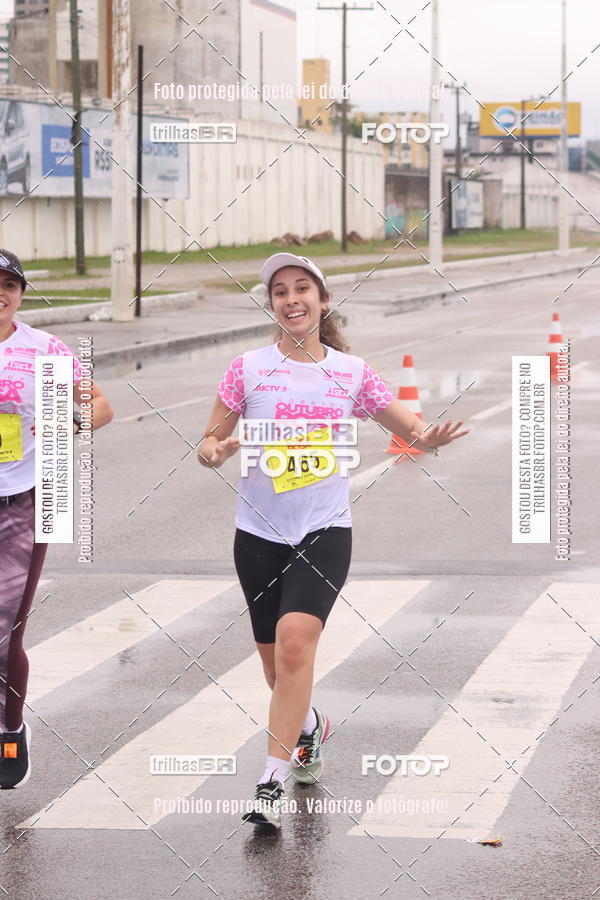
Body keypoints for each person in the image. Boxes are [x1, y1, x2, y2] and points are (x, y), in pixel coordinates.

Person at [197, 252, 468, 828]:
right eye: (280, 292)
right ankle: (309, 727)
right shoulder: (247, 369)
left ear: (323, 301)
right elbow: (210, 441)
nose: (291, 299)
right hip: (258, 534)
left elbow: (409, 427)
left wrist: (431, 438)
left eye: (302, 289)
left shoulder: (350, 373)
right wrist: (216, 450)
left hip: (324, 530)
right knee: (277, 670)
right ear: (272, 305)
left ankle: (270, 782)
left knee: (295, 646)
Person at [0, 249, 113, 789]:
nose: (0, 294)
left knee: (5, 632)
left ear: (21, 294)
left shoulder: (44, 350)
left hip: (25, 503)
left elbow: (102, 407)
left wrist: (68, 424)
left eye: (8, 285)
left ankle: (9, 729)